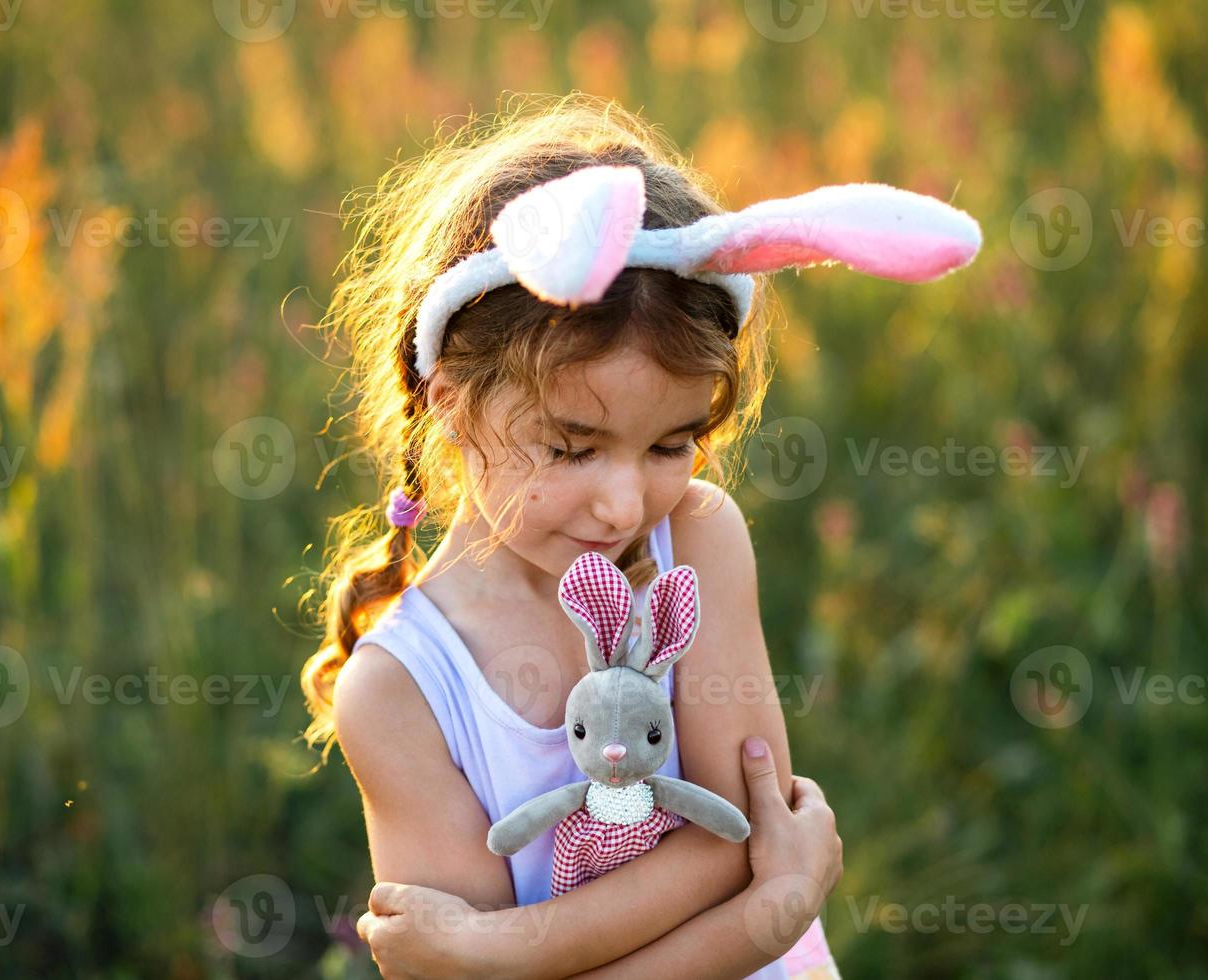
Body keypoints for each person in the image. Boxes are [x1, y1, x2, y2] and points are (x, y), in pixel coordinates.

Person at [299, 92, 979, 978]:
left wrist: (496, 948)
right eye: (572, 448)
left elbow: (744, 833)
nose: (624, 506)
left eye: (671, 444)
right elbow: (752, 873)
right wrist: (766, 918)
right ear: (452, 404)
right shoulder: (402, 693)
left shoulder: (696, 543)